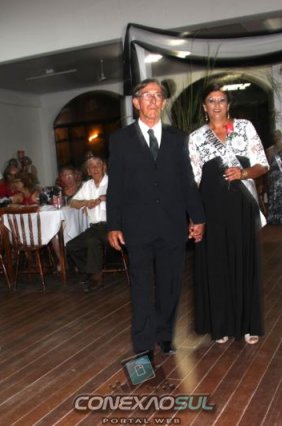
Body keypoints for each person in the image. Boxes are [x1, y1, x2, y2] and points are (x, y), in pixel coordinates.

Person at [107, 79, 205, 363]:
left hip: (172, 224)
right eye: (147, 95)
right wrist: (113, 224)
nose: (153, 100)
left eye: (158, 95)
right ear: (136, 102)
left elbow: (187, 182)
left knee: (170, 285)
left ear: (163, 102)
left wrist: (197, 217)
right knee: (141, 286)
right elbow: (116, 186)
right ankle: (143, 344)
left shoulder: (178, 138)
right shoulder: (120, 139)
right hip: (136, 226)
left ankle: (165, 336)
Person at [187, 83, 268, 345]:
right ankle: (220, 324)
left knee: (244, 261)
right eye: (211, 101)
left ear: (228, 104)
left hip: (241, 204)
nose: (217, 105)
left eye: (221, 100)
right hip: (211, 206)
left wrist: (243, 173)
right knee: (216, 264)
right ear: (204, 106)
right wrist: (194, 216)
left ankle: (248, 325)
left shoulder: (245, 127)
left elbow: (262, 165)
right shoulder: (196, 137)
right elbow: (193, 180)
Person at [67, 157, 109, 292]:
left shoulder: (112, 182)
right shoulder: (87, 185)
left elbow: (121, 197)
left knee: (92, 241)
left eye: (98, 165)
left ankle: (96, 278)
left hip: (111, 227)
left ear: (104, 167)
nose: (95, 168)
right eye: (91, 166)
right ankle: (90, 272)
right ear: (88, 171)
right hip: (95, 227)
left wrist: (102, 198)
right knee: (71, 245)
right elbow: (72, 202)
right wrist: (86, 202)